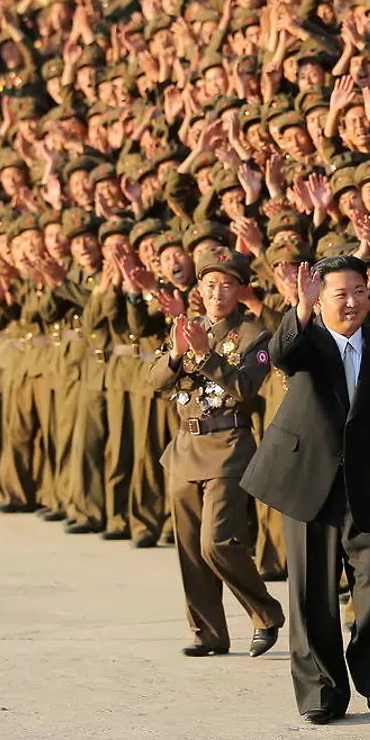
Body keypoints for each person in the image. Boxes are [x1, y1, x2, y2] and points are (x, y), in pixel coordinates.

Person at [241, 256, 370, 725]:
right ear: (318, 299)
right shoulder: (305, 342)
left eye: (359, 291)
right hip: (309, 484)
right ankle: (321, 692)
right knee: (311, 595)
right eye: (340, 293)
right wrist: (298, 311)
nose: (352, 302)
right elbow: (281, 353)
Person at [148, 245, 284, 658]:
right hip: (186, 446)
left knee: (216, 542)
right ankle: (208, 632)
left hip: (229, 446)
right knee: (189, 547)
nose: (217, 293)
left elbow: (245, 389)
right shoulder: (186, 327)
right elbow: (155, 382)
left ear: (241, 290)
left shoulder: (255, 335)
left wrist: (206, 355)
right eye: (210, 285)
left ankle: (266, 614)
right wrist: (176, 353)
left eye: (227, 285)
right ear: (199, 290)